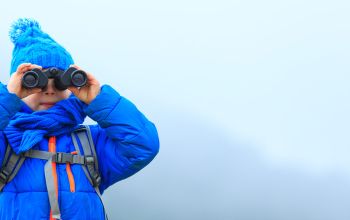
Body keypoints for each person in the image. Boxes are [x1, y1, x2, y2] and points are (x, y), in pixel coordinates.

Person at [0, 18, 159, 220]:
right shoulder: (6, 140)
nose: (49, 91)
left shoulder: (91, 143)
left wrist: (98, 99)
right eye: (36, 83)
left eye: (59, 84)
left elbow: (144, 144)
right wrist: (7, 96)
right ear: (18, 85)